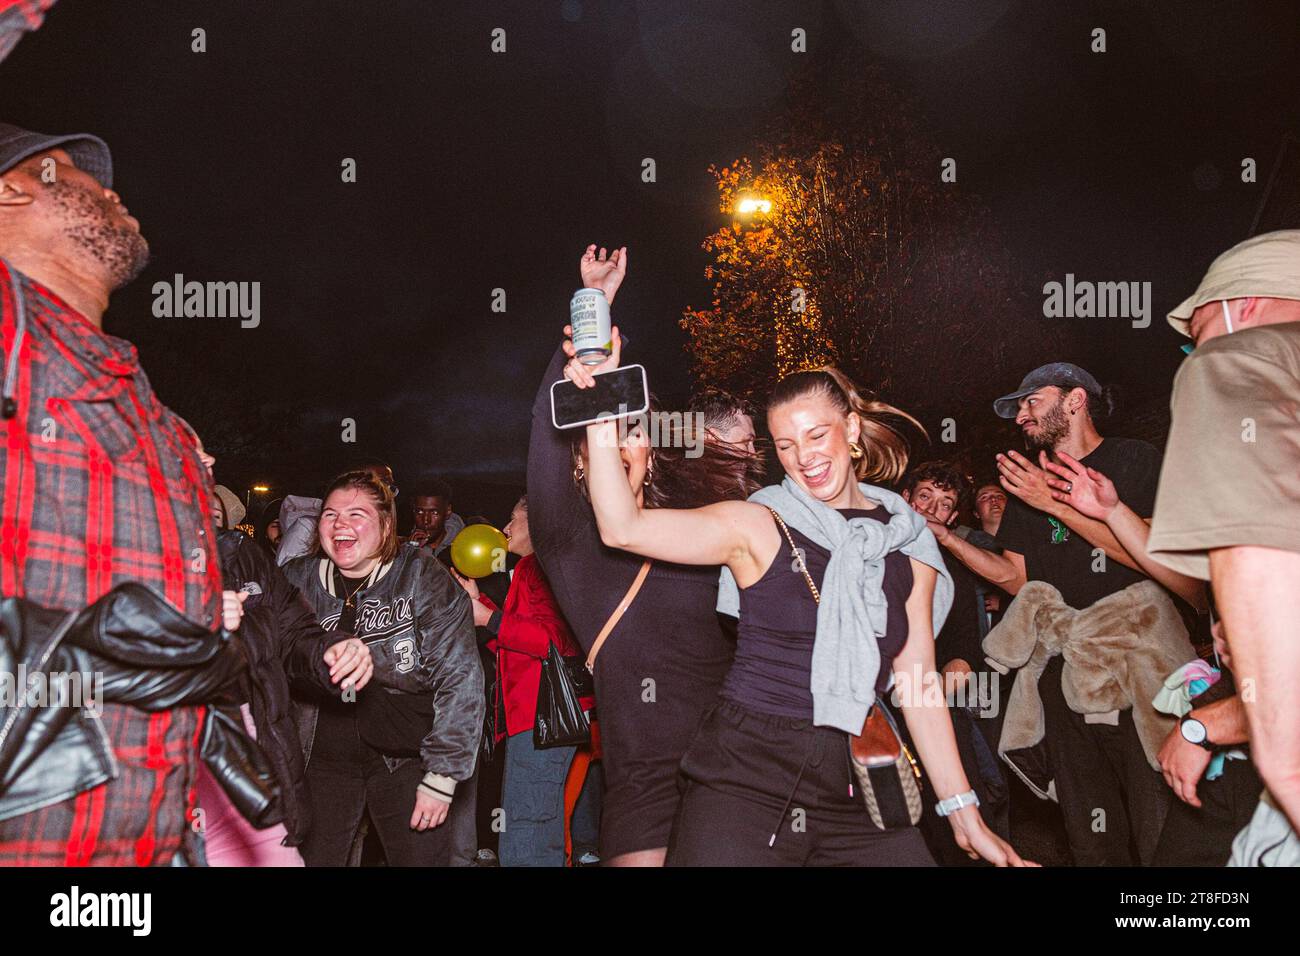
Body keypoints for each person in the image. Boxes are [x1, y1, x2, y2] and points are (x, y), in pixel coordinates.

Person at [571, 345, 1029, 866]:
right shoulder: (759, 524)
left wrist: (964, 813)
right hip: (743, 778)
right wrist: (603, 403)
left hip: (856, 780)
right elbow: (622, 527)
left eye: (817, 435)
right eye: (786, 445)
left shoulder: (908, 544)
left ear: (852, 431)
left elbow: (919, 685)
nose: (804, 456)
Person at [0, 122, 229, 865]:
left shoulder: (155, 414)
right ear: (11, 189)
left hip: (139, 845)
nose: (111, 190)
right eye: (72, 171)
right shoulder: (14, 341)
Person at [528, 244, 761, 866]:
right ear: (583, 461)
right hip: (646, 781)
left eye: (636, 428)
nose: (624, 439)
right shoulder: (570, 544)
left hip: (740, 762)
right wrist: (591, 318)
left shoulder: (697, 528)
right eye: (607, 433)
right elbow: (545, 425)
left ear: (655, 450)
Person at [936, 362, 1179, 865]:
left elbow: (1155, 557)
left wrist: (1061, 506)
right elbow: (1016, 579)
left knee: (1159, 821)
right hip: (1062, 673)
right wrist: (946, 540)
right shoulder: (1033, 485)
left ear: (1075, 400)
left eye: (1031, 400)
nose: (1021, 413)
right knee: (1089, 832)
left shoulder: (1134, 459)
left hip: (1136, 665)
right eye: (1019, 406)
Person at [1145, 229, 1300, 866]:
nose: (1193, 346)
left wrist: (1281, 761)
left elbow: (1253, 551)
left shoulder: (1244, 356)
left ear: (1251, 301)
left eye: (1202, 324)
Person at [281, 469, 483, 866]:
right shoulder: (295, 580)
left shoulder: (422, 576)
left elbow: (461, 678)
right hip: (319, 758)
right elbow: (268, 658)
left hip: (405, 755)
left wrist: (442, 777)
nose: (341, 524)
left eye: (357, 514)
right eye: (330, 515)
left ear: (387, 524)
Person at [194, 448, 375, 866]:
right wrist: (191, 627)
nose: (207, 459)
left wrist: (334, 651)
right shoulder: (113, 558)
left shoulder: (241, 555)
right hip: (172, 776)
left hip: (252, 767)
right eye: (187, 450)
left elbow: (293, 635)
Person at [453, 494, 593, 866]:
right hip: (529, 717)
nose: (505, 528)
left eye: (514, 518)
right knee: (533, 822)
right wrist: (481, 604)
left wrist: (489, 619)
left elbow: (554, 642)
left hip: (540, 716)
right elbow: (518, 643)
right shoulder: (533, 568)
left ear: (539, 522)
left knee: (527, 826)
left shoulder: (540, 567)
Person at [901, 461, 1010, 860]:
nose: (932, 509)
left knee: (968, 821)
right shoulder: (871, 556)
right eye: (925, 497)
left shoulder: (955, 571)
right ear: (905, 500)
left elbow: (966, 653)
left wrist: (928, 701)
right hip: (876, 717)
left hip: (937, 711)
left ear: (952, 517)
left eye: (945, 504)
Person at [277, 458, 397, 566]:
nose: (387, 492)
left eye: (390, 486)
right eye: (380, 483)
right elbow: (286, 582)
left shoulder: (403, 565)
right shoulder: (306, 530)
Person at [407, 478, 464, 556]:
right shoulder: (404, 549)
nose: (426, 520)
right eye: (420, 512)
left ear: (448, 511)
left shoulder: (465, 547)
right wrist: (411, 552)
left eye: (434, 513)